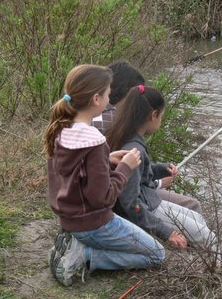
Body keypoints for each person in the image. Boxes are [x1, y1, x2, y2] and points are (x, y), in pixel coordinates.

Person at [45, 64, 164, 287]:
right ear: (96, 99)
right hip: (93, 223)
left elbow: (74, 172)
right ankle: (84, 256)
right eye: (108, 93)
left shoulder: (61, 129)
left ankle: (76, 243)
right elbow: (103, 198)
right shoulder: (94, 140)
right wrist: (125, 168)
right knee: (156, 254)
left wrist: (107, 160)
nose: (111, 100)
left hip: (69, 218)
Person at [106, 85, 215, 247]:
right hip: (147, 208)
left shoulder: (126, 137)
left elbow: (139, 175)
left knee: (198, 219)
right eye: (161, 116)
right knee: (208, 238)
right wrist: (165, 231)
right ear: (154, 115)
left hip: (150, 200)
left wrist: (160, 169)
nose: (160, 121)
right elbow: (130, 203)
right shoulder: (134, 150)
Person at [92, 61, 202, 213]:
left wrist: (158, 171)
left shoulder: (98, 115)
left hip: (120, 191)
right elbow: (128, 185)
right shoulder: (116, 121)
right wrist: (158, 184)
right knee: (193, 206)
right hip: (122, 198)